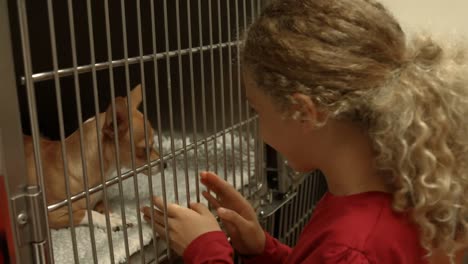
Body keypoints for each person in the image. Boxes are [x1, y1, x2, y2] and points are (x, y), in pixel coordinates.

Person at [141, 0, 468, 263]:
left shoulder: (353, 247)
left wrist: (207, 250)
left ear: (304, 112)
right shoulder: (384, 196)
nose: (258, 129)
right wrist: (262, 249)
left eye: (258, 111)